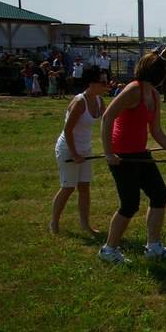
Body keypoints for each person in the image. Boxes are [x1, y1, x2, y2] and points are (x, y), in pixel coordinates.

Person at [99, 49, 166, 264]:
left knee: (159, 195)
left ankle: (154, 247)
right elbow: (107, 117)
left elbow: (156, 131)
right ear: (155, 73)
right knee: (129, 205)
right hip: (122, 156)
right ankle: (109, 250)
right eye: (163, 72)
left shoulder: (154, 95)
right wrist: (109, 153)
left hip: (141, 153)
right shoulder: (133, 91)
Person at [51, 66, 108, 234]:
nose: (106, 85)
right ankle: (54, 222)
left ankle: (85, 225)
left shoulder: (99, 100)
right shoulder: (79, 102)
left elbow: (108, 123)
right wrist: (75, 154)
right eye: (102, 82)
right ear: (91, 83)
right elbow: (68, 130)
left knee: (84, 187)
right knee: (68, 187)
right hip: (68, 149)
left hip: (85, 148)